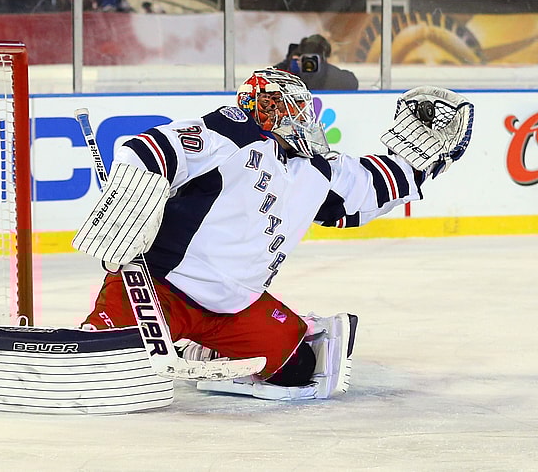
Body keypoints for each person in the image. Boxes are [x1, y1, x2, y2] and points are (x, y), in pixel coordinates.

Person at [72, 68, 474, 400]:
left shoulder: (316, 169)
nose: (305, 117)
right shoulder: (226, 135)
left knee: (298, 370)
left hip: (233, 310)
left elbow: (369, 189)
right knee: (101, 371)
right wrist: (124, 211)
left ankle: (206, 348)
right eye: (296, 108)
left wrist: (421, 162)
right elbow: (147, 149)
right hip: (158, 292)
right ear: (267, 108)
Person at [275, 34, 359, 91]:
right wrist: (289, 65)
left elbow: (351, 83)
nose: (309, 64)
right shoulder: (290, 73)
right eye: (305, 59)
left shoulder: (331, 75)